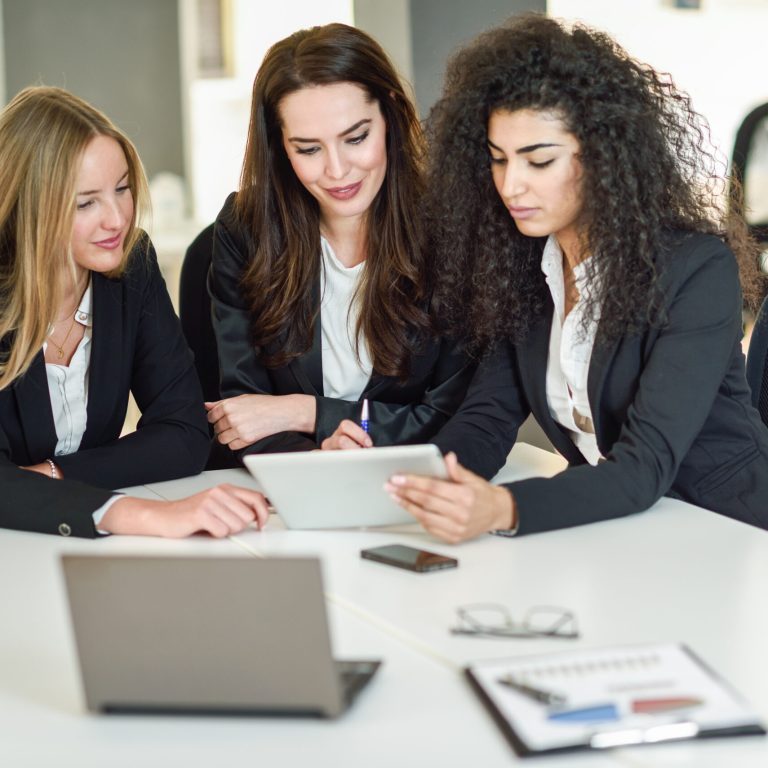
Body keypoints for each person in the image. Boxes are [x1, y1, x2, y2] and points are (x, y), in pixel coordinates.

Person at [386, 15, 768, 541]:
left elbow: (645, 465)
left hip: (727, 529)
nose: (510, 185)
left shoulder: (695, 269)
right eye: (497, 160)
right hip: (613, 527)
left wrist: (502, 509)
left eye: (538, 161)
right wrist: (418, 485)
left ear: (603, 157)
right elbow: (488, 417)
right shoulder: (524, 266)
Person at [0, 86, 268, 538]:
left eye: (121, 189)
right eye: (86, 203)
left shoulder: (132, 266)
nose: (117, 220)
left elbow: (183, 434)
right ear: (30, 208)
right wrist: (134, 514)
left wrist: (52, 476)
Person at [206, 23, 474, 456]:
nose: (337, 170)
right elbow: (243, 412)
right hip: (292, 493)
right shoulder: (246, 230)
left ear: (389, 116)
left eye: (356, 138)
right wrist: (314, 464)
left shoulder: (454, 232)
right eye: (308, 149)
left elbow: (456, 419)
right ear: (280, 148)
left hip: (420, 489)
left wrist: (307, 412)